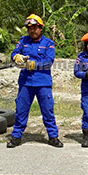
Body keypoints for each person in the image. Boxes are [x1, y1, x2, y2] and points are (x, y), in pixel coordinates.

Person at [7, 14, 62, 148]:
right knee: (21, 110)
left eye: (35, 28)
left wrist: (32, 64)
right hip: (25, 82)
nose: (32, 30)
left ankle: (53, 137)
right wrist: (16, 57)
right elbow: (13, 54)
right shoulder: (23, 41)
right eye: (29, 28)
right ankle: (16, 137)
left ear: (40, 28)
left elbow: (49, 61)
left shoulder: (48, 43)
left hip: (43, 83)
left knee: (47, 111)